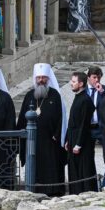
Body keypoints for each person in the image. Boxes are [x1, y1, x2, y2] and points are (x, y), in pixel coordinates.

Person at [17, 63, 67, 197]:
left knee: (52, 165)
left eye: (44, 77)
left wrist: (57, 134)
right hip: (33, 140)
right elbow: (22, 118)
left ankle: (53, 190)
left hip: (51, 140)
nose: (41, 80)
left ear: (48, 78)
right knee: (35, 165)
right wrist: (21, 136)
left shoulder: (55, 95)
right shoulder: (29, 96)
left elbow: (61, 117)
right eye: (38, 78)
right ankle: (34, 189)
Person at [66, 72, 98, 194]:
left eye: (74, 82)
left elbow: (84, 124)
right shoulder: (78, 97)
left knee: (84, 169)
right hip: (74, 138)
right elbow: (72, 121)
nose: (71, 83)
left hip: (82, 141)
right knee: (74, 170)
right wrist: (68, 139)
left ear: (81, 84)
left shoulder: (85, 100)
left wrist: (78, 144)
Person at [86, 65, 105, 146]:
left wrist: (102, 92)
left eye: (99, 77)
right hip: (87, 127)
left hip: (101, 127)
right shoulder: (83, 90)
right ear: (88, 77)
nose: (97, 80)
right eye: (94, 77)